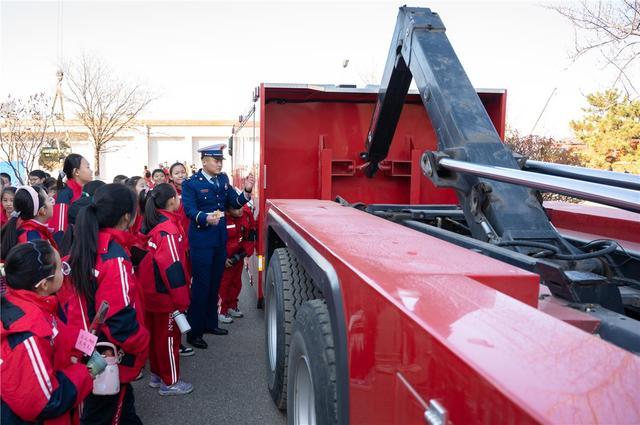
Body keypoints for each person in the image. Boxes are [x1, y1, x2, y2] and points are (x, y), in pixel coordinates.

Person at [58, 183, 149, 424]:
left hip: (85, 346)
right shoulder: (114, 256)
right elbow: (118, 317)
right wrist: (141, 343)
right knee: (107, 412)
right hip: (107, 354)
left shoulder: (88, 243)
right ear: (127, 217)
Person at [1, 240, 95, 424]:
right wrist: (85, 372)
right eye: (61, 268)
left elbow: (62, 332)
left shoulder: (24, 301)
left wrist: (92, 343)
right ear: (44, 284)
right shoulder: (27, 332)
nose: (64, 272)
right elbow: (46, 401)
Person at [181, 144, 254, 349]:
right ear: (204, 161)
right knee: (201, 287)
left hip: (219, 240)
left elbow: (235, 201)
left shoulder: (223, 180)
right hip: (202, 241)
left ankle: (210, 323)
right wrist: (205, 218)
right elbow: (189, 210)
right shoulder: (191, 183)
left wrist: (247, 190)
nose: (220, 163)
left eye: (221, 160)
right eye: (216, 160)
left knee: (214, 285)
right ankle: (195, 332)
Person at [138, 184, 193, 395]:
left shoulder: (153, 223)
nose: (179, 199)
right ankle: (170, 382)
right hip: (165, 295)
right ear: (171, 201)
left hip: (151, 292)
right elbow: (173, 269)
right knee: (169, 339)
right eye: (177, 196)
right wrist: (182, 300)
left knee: (156, 337)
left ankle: (157, 375)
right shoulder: (168, 230)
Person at [219, 204, 256, 322]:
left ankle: (232, 306)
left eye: (240, 207)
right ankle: (221, 311)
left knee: (236, 283)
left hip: (238, 257)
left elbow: (250, 235)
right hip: (225, 260)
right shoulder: (220, 218)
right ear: (228, 210)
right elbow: (216, 240)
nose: (240, 210)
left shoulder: (246, 214)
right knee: (223, 285)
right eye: (235, 208)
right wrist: (222, 258)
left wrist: (243, 254)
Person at [1, 185, 56, 260]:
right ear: (42, 210)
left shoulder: (34, 231)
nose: (52, 203)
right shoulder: (32, 239)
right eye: (49, 200)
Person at [50, 154, 93, 246]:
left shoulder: (83, 194)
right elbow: (59, 230)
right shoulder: (65, 195)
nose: (91, 171)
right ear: (76, 171)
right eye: (88, 167)